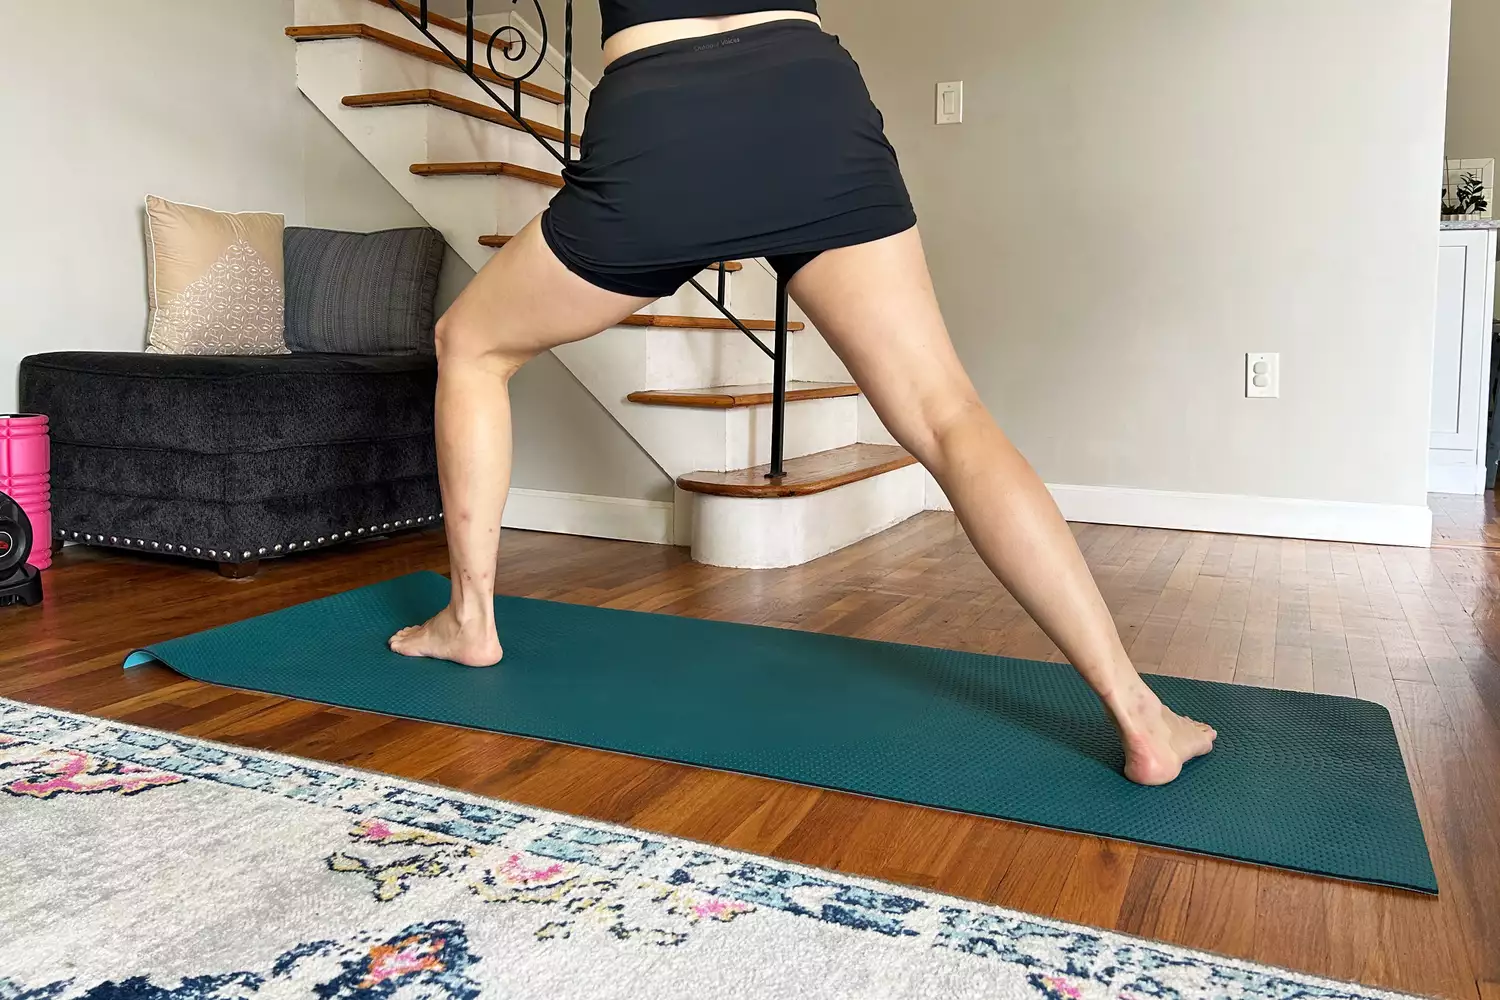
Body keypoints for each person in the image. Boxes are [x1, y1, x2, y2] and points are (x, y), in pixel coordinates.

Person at [389, 1, 1218, 786]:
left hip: (662, 116)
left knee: (470, 344)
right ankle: (1138, 711)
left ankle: (471, 620)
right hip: (808, 98)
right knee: (948, 417)